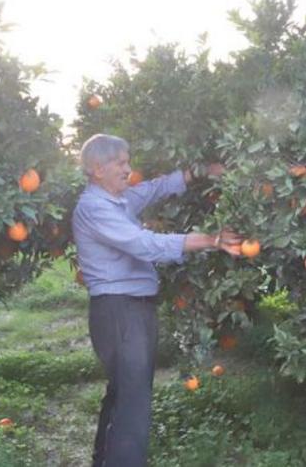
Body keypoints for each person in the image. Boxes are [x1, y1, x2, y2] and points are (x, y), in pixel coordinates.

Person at [72, 133, 240, 467]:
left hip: (129, 309)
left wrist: (200, 171)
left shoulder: (116, 201)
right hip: (119, 310)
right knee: (133, 402)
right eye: (120, 163)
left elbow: (153, 188)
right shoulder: (94, 208)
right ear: (97, 169)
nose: (128, 169)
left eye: (127, 161)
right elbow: (144, 245)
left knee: (123, 393)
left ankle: (104, 460)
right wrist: (211, 239)